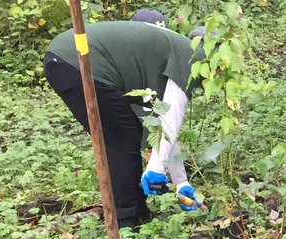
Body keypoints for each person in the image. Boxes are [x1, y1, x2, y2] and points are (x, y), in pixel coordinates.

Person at [43, 20, 207, 228]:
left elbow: (162, 127)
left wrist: (180, 181)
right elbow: (171, 120)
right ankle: (125, 222)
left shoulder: (174, 53)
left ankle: (137, 211)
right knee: (121, 140)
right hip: (81, 61)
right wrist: (155, 168)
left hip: (64, 60)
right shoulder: (193, 58)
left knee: (122, 134)